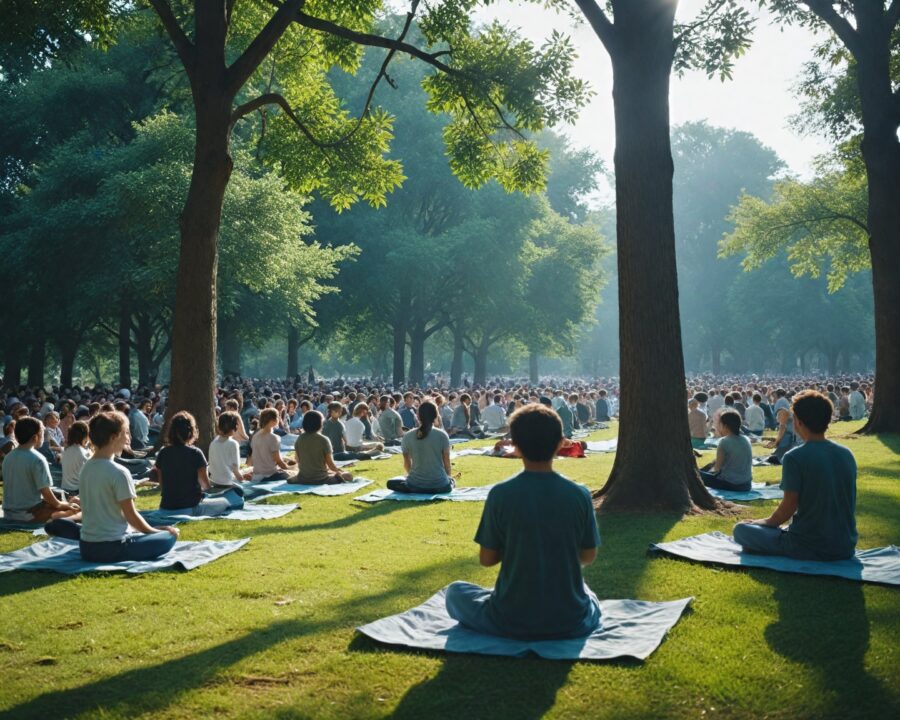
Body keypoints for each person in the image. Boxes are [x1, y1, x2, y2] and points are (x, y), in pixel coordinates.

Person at [445, 403, 601, 640]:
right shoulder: (579, 494)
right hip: (570, 619)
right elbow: (587, 556)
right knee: (586, 591)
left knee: (455, 592)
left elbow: (488, 559)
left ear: (515, 446)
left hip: (510, 617)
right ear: (560, 443)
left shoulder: (501, 494)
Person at [733, 390, 857, 561]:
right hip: (845, 545)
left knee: (741, 529)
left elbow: (787, 508)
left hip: (807, 545)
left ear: (798, 422)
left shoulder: (794, 457)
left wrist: (764, 522)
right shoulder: (846, 454)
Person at [45, 412, 180, 561]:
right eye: (126, 433)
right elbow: (131, 516)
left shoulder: (87, 468)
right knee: (170, 535)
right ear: (114, 437)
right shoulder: (119, 472)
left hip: (87, 547)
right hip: (112, 548)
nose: (129, 438)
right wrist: (154, 532)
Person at [157, 412, 241, 514]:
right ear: (191, 431)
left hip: (165, 507)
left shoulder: (163, 453)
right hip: (190, 507)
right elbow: (206, 486)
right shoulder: (195, 453)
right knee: (227, 502)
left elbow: (162, 485)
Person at [1, 417, 80, 524]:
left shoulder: (8, 457)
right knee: (76, 510)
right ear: (35, 437)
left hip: (8, 512)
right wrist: (61, 505)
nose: (44, 436)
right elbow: (46, 492)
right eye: (42, 432)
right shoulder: (38, 459)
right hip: (29, 513)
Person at [388, 401, 454, 494]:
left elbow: (407, 464)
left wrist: (414, 477)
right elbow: (446, 462)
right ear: (435, 416)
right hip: (440, 485)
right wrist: (448, 477)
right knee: (451, 482)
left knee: (391, 483)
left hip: (415, 485)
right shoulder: (442, 435)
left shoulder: (407, 436)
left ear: (418, 416)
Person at [698, 410, 752, 492]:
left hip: (730, 485)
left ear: (725, 426)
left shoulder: (724, 441)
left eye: (719, 424)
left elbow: (717, 469)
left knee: (694, 474)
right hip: (746, 485)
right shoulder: (746, 439)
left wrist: (702, 472)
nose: (718, 428)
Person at [294, 410, 353, 484]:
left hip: (303, 478)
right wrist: (339, 471)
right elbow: (330, 464)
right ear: (319, 423)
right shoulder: (324, 439)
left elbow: (297, 459)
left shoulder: (299, 438)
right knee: (348, 476)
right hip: (320, 479)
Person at [208, 411, 252, 490]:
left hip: (214, 481)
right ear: (234, 427)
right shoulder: (233, 444)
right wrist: (243, 481)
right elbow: (235, 469)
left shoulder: (213, 442)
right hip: (227, 483)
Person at [249, 408, 294, 482]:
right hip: (269, 475)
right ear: (273, 420)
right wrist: (290, 468)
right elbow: (279, 461)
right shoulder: (274, 438)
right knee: (292, 475)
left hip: (256, 475)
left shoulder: (255, 436)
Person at [60, 421, 91, 499]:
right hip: (77, 491)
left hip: (64, 489)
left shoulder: (66, 450)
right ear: (85, 436)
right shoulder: (84, 453)